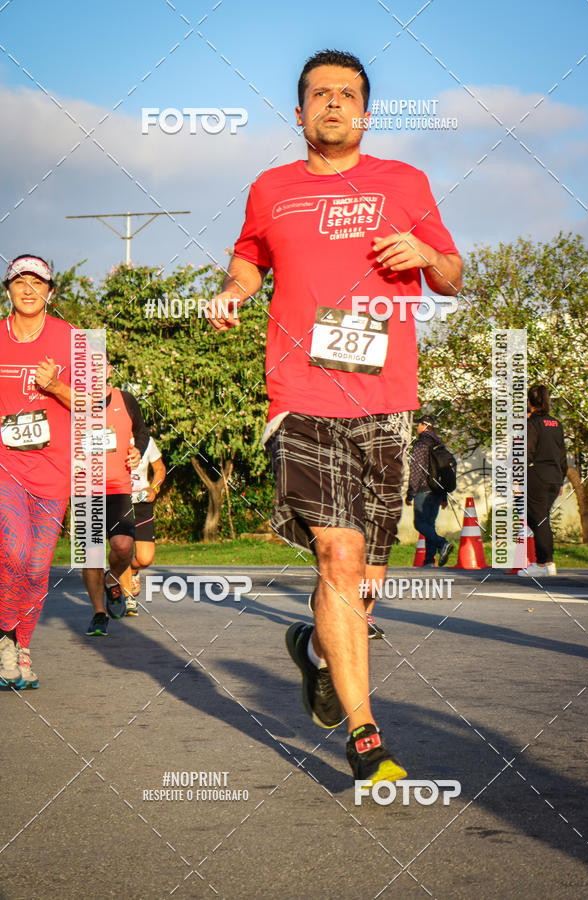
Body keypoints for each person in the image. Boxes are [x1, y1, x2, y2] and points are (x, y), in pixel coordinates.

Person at [208, 50, 462, 784]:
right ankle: (365, 738)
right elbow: (249, 260)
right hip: (302, 397)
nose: (333, 104)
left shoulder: (403, 183)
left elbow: (450, 275)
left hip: (385, 401)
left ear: (366, 112)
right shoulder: (272, 189)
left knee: (366, 576)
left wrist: (425, 252)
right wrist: (234, 290)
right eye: (319, 94)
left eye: (347, 94)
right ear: (299, 112)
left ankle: (318, 652)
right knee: (339, 558)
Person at [0, 254, 73, 688]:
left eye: (37, 282)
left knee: (37, 566)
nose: (28, 289)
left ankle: (20, 642)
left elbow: (93, 404)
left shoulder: (76, 340)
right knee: (12, 551)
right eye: (19, 281)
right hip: (5, 466)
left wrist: (57, 387)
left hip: (54, 471)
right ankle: (5, 637)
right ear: (7, 289)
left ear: (51, 291)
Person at [83, 367, 149, 635]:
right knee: (92, 555)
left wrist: (137, 451)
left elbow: (142, 433)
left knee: (123, 547)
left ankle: (112, 579)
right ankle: (99, 613)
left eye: (100, 363)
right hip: (85, 488)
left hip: (118, 488)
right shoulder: (72, 401)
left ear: (109, 369)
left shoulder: (126, 399)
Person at [518, 385, 567, 577]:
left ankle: (543, 563)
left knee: (538, 519)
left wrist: (517, 478)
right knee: (541, 518)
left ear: (529, 401)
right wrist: (561, 480)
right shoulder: (556, 424)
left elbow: (526, 453)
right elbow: (562, 454)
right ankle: (546, 562)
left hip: (537, 476)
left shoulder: (533, 423)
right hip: (554, 477)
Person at [120, 436, 166, 614]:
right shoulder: (109, 437)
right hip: (118, 501)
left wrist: (153, 488)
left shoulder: (146, 441)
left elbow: (160, 469)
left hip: (141, 503)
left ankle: (130, 571)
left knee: (145, 558)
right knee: (123, 549)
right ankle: (127, 598)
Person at [406, 415, 454, 567]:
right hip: (438, 490)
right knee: (429, 525)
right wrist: (444, 495)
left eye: (418, 425)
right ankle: (428, 561)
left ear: (424, 426)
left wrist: (411, 492)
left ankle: (442, 544)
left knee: (420, 524)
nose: (417, 428)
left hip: (424, 489)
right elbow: (444, 471)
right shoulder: (439, 444)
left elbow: (416, 470)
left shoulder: (421, 445)